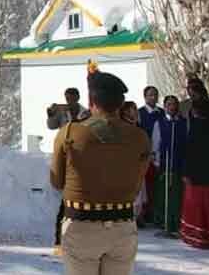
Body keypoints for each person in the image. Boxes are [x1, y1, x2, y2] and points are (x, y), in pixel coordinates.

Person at [50, 68, 151, 275]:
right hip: (123, 224)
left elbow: (57, 181)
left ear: (91, 102)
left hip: (81, 224)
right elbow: (138, 181)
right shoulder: (140, 137)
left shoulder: (69, 132)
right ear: (121, 104)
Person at [48, 87, 91, 254]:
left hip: (81, 157)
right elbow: (51, 126)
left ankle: (78, 240)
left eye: (72, 97)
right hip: (65, 157)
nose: (69, 100)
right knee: (65, 202)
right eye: (67, 97)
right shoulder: (61, 112)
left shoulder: (85, 112)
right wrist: (51, 114)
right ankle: (60, 241)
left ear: (77, 97)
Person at [179, 77, 209, 250]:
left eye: (194, 90)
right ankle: (200, 236)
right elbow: (190, 141)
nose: (192, 94)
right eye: (189, 91)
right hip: (196, 161)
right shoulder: (189, 109)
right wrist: (187, 169)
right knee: (198, 201)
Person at [151, 95, 187, 235]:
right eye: (169, 104)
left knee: (177, 196)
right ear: (165, 106)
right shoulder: (159, 123)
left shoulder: (182, 123)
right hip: (164, 166)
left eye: (174, 104)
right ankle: (163, 222)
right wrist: (158, 163)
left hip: (178, 165)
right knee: (163, 194)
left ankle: (175, 222)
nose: (172, 107)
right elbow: (156, 144)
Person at [138, 86, 163, 225]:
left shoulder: (162, 112)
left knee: (157, 185)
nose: (153, 97)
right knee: (145, 186)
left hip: (159, 154)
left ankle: (156, 213)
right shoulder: (140, 113)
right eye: (150, 95)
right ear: (145, 97)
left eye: (155, 94)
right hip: (145, 154)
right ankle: (144, 213)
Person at [119, 102, 146, 221]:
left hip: (138, 163)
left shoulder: (138, 126)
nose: (135, 111)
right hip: (125, 164)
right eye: (132, 109)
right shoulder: (121, 126)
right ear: (125, 111)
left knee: (138, 192)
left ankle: (136, 216)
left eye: (135, 109)